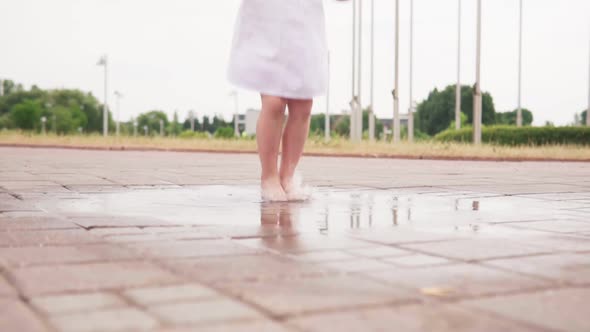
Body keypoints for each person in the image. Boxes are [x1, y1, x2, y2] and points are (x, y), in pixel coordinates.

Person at [227, 0, 330, 201]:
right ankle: (269, 176)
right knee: (273, 101)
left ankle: (287, 177)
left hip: (304, 18)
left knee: (303, 105)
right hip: (266, 17)